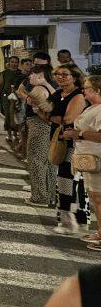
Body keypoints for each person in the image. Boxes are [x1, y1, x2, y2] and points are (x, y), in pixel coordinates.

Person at [50, 65, 89, 235]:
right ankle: (73, 219)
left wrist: (51, 115)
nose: (61, 77)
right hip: (60, 142)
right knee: (66, 180)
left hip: (74, 144)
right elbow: (43, 112)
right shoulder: (58, 94)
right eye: (58, 74)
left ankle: (72, 221)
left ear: (74, 76)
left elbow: (68, 119)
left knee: (69, 180)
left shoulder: (78, 95)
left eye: (65, 74)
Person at [67, 75, 101, 250]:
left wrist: (78, 135)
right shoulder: (91, 108)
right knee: (94, 197)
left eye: (87, 88)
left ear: (97, 90)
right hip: (88, 160)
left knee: (99, 197)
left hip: (98, 159)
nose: (84, 90)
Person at [23, 65, 58, 208]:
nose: (29, 77)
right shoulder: (50, 87)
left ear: (40, 75)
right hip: (49, 129)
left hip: (39, 127)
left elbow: (41, 112)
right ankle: (49, 196)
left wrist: (32, 105)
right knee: (49, 163)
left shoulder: (38, 89)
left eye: (32, 74)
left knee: (36, 161)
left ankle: (39, 197)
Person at [0, 56, 22, 145]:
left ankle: (16, 133)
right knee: (8, 114)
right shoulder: (4, 73)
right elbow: (1, 84)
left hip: (18, 96)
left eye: (16, 62)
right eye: (12, 62)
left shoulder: (20, 73)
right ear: (9, 62)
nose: (14, 64)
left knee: (17, 115)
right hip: (6, 95)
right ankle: (9, 134)